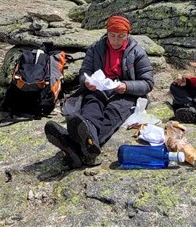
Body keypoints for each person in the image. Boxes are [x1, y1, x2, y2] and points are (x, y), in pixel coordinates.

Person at [44, 15, 154, 168]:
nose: (116, 40)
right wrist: (86, 81)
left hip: (125, 94)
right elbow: (84, 72)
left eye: (121, 36)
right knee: (92, 106)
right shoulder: (96, 48)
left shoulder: (137, 53)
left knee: (113, 111)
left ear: (128, 35)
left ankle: (73, 145)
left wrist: (126, 86)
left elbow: (148, 83)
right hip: (100, 88)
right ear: (107, 33)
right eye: (112, 35)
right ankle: (87, 148)